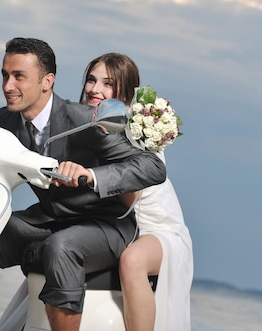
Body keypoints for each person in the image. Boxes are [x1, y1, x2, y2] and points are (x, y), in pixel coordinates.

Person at [0, 38, 167, 331]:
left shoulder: (88, 121)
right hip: (52, 217)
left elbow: (151, 167)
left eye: (18, 77)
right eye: (5, 75)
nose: (7, 86)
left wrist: (91, 175)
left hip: (104, 224)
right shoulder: (4, 120)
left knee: (61, 247)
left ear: (47, 81)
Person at [79, 52, 193, 331]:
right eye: (91, 80)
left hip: (159, 231)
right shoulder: (81, 124)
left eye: (108, 84)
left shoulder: (135, 129)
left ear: (124, 92)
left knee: (133, 261)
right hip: (119, 227)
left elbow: (131, 198)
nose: (95, 89)